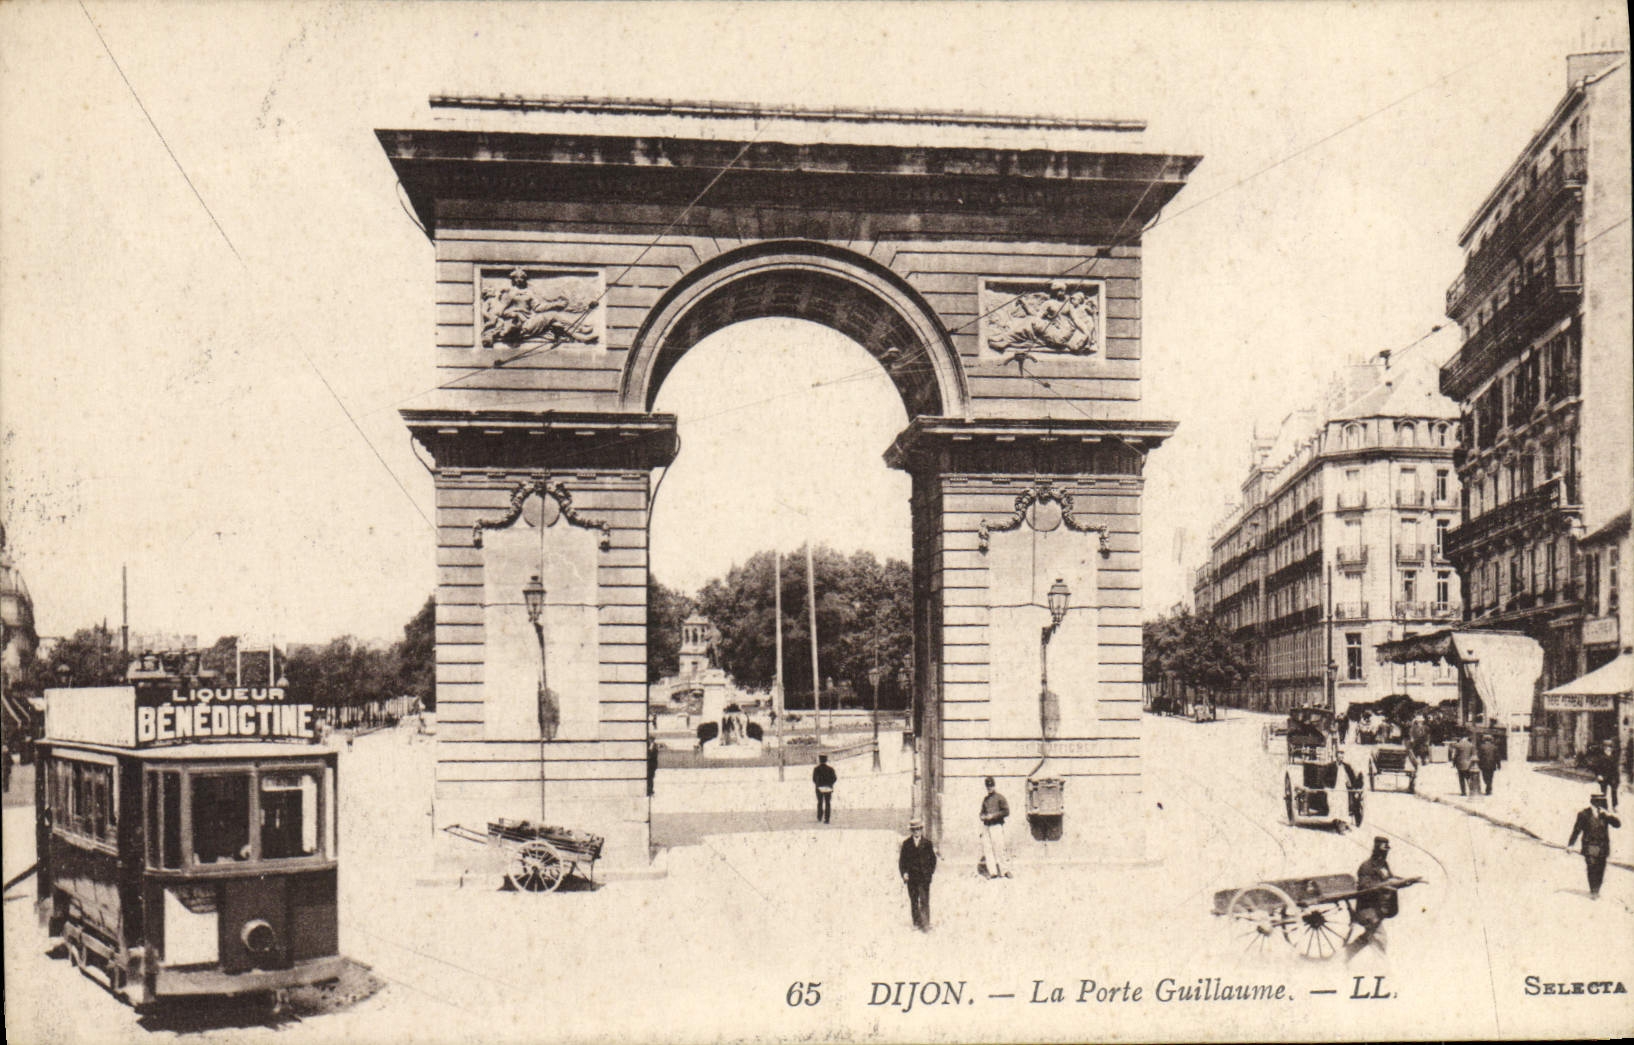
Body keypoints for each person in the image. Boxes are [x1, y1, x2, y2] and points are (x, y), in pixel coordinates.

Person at [1346, 837, 1400, 961]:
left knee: (1368, 937)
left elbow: (1390, 878)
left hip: (1377, 910)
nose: (1385, 854)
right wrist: (1383, 885)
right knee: (1380, 938)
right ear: (1376, 850)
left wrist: (1401, 881)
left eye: (1386, 851)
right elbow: (1365, 887)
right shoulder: (1366, 867)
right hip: (1367, 911)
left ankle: (1345, 955)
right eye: (1382, 851)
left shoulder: (1383, 865)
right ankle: (1383, 968)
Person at [1568, 793, 1621, 898]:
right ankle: (1594, 890)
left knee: (1601, 868)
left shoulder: (1604, 815)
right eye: (1599, 801)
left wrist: (1609, 816)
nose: (1601, 803)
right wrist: (1570, 844)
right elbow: (1576, 830)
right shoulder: (1584, 814)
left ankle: (1597, 888)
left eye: (1602, 801)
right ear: (1593, 801)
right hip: (1589, 845)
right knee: (1591, 867)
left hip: (1602, 846)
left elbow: (1617, 825)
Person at [899, 817, 938, 931]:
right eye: (914, 829)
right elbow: (902, 861)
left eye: (918, 829)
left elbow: (933, 860)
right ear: (911, 831)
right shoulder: (906, 844)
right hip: (912, 878)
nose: (916, 831)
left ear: (922, 830)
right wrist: (904, 873)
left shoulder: (927, 844)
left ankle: (925, 923)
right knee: (914, 900)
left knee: (924, 900)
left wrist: (929, 873)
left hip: (924, 877)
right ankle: (916, 922)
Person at [979, 776, 1012, 879]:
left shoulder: (1000, 798)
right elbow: (982, 812)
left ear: (994, 785)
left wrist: (993, 816)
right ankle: (992, 872)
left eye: (991, 786)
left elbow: (1006, 811)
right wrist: (982, 816)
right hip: (987, 826)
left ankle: (1005, 870)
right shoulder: (985, 799)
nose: (990, 788)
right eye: (988, 786)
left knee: (1000, 848)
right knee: (988, 849)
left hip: (996, 826)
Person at [1595, 739, 1620, 811]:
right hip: (1604, 777)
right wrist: (1599, 775)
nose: (1608, 749)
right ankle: (1604, 806)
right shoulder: (1600, 757)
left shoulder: (1614, 756)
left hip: (1612, 777)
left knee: (1614, 791)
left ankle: (1614, 806)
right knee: (1603, 792)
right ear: (1604, 748)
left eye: (1610, 747)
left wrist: (1617, 778)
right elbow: (1597, 767)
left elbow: (1616, 768)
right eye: (1606, 747)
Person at [1451, 730, 1478, 796]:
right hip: (1468, 764)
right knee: (1468, 778)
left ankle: (1463, 792)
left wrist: (1453, 763)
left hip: (1460, 764)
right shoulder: (1470, 745)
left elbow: (1455, 755)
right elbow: (1473, 754)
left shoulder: (1458, 745)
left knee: (1461, 779)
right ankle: (1472, 791)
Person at [812, 754, 836, 824]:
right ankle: (827, 818)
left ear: (820, 760)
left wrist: (818, 784)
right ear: (826, 760)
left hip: (819, 788)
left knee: (820, 802)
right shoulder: (830, 769)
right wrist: (830, 784)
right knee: (828, 803)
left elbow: (814, 779)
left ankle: (819, 816)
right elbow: (834, 778)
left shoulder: (816, 769)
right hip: (828, 788)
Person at [1477, 731, 1501, 796]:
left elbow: (1479, 756)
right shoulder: (1494, 747)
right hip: (1492, 765)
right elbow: (1497, 757)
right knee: (1490, 777)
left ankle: (1488, 788)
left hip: (1483, 765)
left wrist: (1478, 763)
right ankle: (1489, 788)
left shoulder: (1481, 747)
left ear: (1484, 740)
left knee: (1485, 777)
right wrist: (1499, 765)